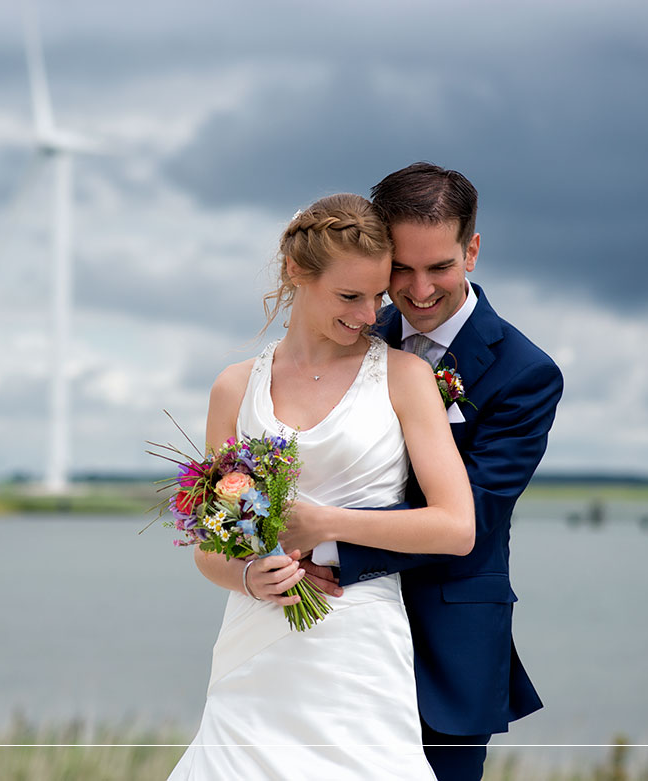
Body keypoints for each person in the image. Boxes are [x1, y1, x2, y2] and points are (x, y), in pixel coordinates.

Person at [168, 193, 476, 779]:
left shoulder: (406, 378)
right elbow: (211, 547)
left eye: (379, 297)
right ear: (296, 273)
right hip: (254, 648)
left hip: (357, 648)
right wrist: (249, 577)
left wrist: (325, 523)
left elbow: (457, 527)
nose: (370, 315)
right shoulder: (233, 389)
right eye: (349, 296)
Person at [290, 163, 564, 781]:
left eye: (438, 266)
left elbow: (477, 511)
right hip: (332, 634)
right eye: (401, 269)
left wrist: (321, 542)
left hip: (447, 644)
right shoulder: (351, 333)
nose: (417, 291)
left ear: (471, 249)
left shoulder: (524, 373)